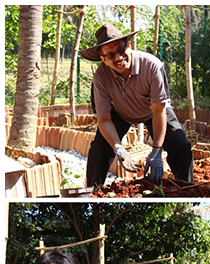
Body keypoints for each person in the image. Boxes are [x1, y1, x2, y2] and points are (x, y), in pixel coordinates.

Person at [80, 23, 193, 187]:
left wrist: (156, 150)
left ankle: (186, 188)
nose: (118, 57)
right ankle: (92, 191)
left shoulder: (152, 66)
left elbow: (159, 109)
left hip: (153, 111)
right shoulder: (100, 78)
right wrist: (119, 150)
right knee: (98, 148)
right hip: (120, 113)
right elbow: (104, 119)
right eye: (111, 55)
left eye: (121, 50)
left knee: (180, 144)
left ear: (129, 46)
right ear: (103, 60)